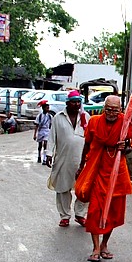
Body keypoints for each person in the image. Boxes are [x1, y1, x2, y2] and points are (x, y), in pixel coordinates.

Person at [76, 95, 132, 262]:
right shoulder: (94, 122)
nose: (111, 113)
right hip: (97, 170)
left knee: (113, 212)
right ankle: (95, 247)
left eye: (115, 110)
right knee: (95, 211)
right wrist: (81, 166)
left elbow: (130, 146)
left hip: (117, 173)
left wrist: (124, 147)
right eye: (108, 109)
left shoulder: (125, 122)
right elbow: (87, 145)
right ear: (103, 108)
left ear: (120, 110)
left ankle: (104, 245)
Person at [46, 90, 90, 228]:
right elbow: (52, 137)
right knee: (62, 188)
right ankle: (64, 216)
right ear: (67, 103)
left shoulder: (86, 117)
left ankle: (80, 214)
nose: (77, 104)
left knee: (84, 188)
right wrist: (48, 153)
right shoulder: (58, 118)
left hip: (83, 160)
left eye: (78, 102)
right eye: (74, 102)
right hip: (63, 159)